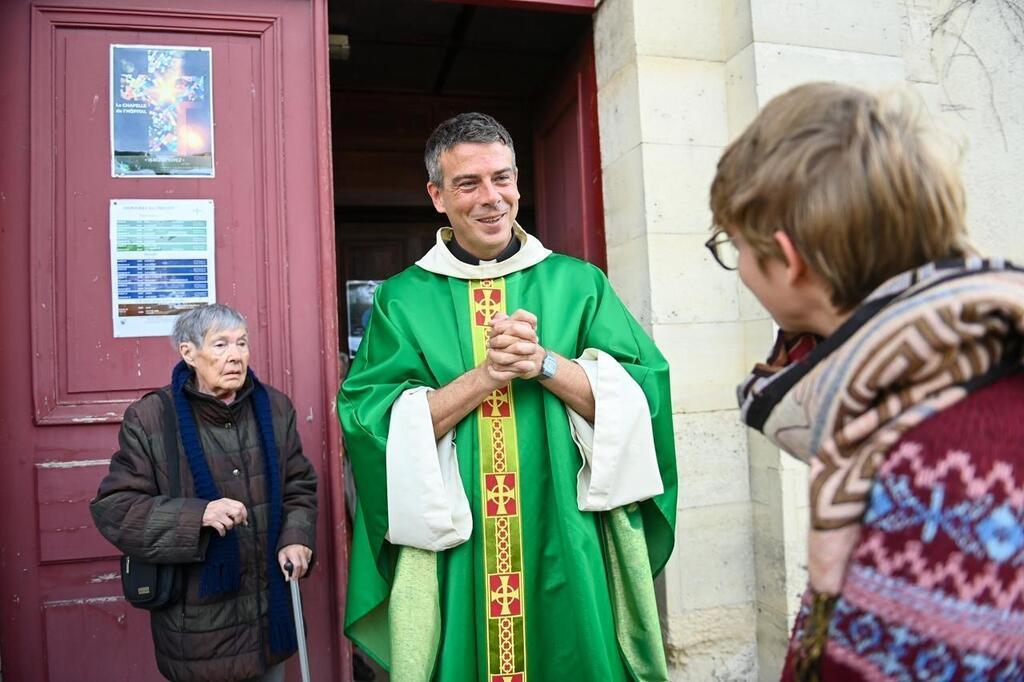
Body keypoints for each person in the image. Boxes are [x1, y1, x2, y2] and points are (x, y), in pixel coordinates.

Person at [337, 112, 677, 681]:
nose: (491, 198)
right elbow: (370, 423)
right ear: (437, 196)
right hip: (459, 542)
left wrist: (543, 363)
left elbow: (645, 401)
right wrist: (484, 377)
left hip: (567, 527)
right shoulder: (403, 298)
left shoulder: (579, 283)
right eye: (468, 183)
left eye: (502, 178)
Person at [708, 82, 1024, 680]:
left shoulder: (943, 464)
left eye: (732, 244)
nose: (739, 268)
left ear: (787, 257)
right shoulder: (924, 385)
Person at [91, 304, 318, 682]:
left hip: (269, 626)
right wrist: (198, 516)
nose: (235, 355)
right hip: (197, 635)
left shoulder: (275, 408)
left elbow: (299, 485)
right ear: (188, 353)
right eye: (220, 345)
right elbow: (116, 508)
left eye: (242, 343)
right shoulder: (151, 418)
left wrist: (296, 538)